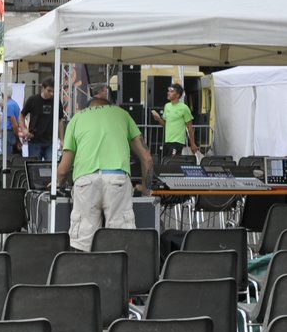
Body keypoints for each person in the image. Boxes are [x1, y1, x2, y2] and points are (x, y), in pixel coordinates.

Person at [55, 83, 152, 252]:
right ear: (109, 104)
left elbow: (63, 170)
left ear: (88, 106)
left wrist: (58, 184)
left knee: (83, 243)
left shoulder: (77, 119)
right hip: (117, 180)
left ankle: (85, 275)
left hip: (86, 182)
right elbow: (146, 157)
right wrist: (145, 188)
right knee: (120, 241)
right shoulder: (122, 115)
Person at [157, 84, 197, 157]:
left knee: (172, 162)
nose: (168, 93)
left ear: (178, 95)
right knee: (165, 163)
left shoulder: (184, 108)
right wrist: (158, 119)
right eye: (168, 91)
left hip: (177, 141)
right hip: (167, 140)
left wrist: (193, 144)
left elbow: (190, 127)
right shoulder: (167, 106)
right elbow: (165, 124)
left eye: (171, 91)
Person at [22, 78, 56, 161]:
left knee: (51, 167)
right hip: (35, 140)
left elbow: (60, 120)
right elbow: (22, 115)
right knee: (34, 167)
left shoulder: (56, 102)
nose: (51, 93)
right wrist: (24, 130)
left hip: (50, 141)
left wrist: (62, 139)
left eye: (53, 91)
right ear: (43, 88)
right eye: (49, 91)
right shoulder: (32, 100)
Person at [3, 88, 22, 158]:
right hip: (12, 133)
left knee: (7, 157)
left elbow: (14, 124)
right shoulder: (14, 104)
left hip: (9, 134)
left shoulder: (8, 106)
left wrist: (17, 139)